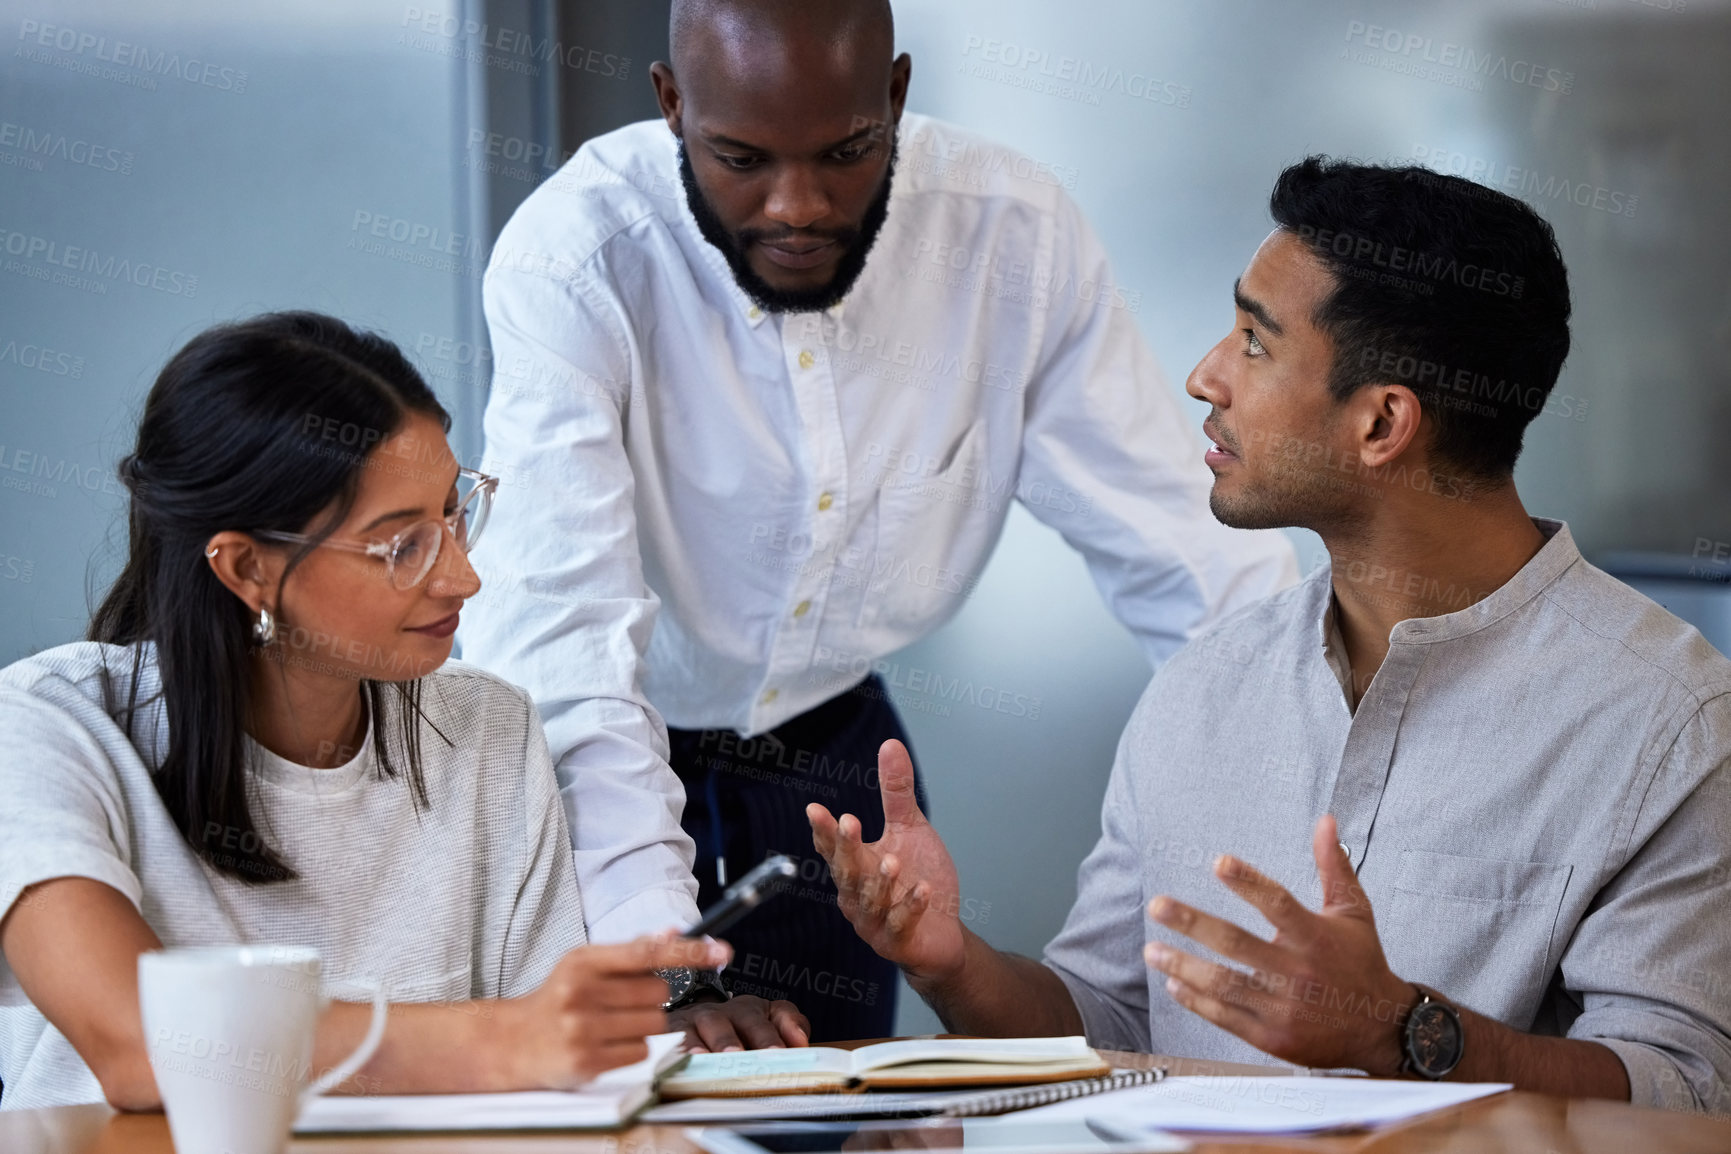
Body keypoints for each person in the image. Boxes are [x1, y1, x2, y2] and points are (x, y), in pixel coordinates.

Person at [805, 159, 1731, 1110]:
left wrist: (1402, 1031)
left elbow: (1689, 1092)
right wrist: (951, 963)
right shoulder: (1204, 685)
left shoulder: (1669, 721)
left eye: (1253, 340)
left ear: (1381, 424)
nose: (1205, 374)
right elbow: (1109, 1024)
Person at [457, 0, 1295, 1041]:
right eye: (742, 157)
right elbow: (560, 642)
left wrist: (1332, 787)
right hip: (601, 747)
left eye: (848, 151)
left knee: (839, 1104)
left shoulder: (1012, 239)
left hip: (835, 763)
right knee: (638, 1103)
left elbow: (1197, 565)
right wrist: (664, 968)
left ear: (896, 95)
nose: (797, 206)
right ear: (672, 107)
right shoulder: (576, 258)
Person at [0, 313, 805, 1112]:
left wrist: (658, 1017)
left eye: (454, 514)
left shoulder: (487, 727)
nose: (462, 578)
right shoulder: (47, 727)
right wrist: (504, 1039)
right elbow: (139, 1046)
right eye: (401, 546)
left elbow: (555, 1083)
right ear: (247, 567)